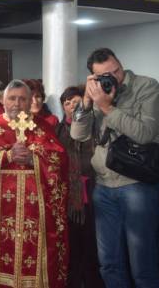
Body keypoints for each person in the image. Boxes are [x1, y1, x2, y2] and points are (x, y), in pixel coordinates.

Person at [71, 47, 159, 288]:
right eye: (105, 74)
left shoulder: (147, 87)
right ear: (94, 77)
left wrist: (107, 107)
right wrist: (87, 103)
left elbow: (144, 134)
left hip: (137, 184)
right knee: (109, 263)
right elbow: (78, 134)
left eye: (116, 70)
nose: (114, 77)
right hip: (104, 186)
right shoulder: (98, 93)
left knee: (142, 266)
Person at [0, 79, 69, 288]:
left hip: (36, 209)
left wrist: (34, 158)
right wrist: (6, 156)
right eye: (12, 98)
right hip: (0, 208)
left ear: (30, 101)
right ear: (3, 100)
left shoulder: (43, 127)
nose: (17, 104)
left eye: (22, 99)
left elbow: (59, 160)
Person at [54, 86, 103, 288]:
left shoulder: (96, 126)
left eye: (76, 101)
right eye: (67, 103)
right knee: (71, 245)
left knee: (95, 245)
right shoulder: (57, 131)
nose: (72, 105)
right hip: (69, 195)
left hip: (96, 189)